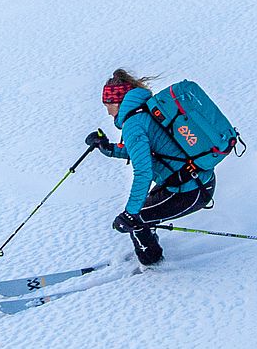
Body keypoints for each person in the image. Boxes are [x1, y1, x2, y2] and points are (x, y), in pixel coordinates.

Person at [86, 69, 216, 267]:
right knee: (142, 212)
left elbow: (143, 171)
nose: (107, 111)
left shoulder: (132, 124)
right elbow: (149, 150)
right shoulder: (146, 108)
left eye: (108, 105)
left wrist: (130, 213)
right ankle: (150, 243)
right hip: (194, 178)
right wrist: (108, 148)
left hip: (189, 190)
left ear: (117, 102)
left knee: (137, 219)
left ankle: (154, 269)